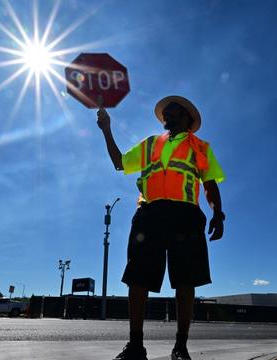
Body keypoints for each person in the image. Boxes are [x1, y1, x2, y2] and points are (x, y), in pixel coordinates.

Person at [97, 95, 225, 360]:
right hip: (150, 213)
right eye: (166, 112)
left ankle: (180, 347)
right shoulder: (151, 144)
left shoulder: (200, 147)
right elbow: (120, 162)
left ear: (188, 119)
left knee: (186, 280)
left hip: (186, 215)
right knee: (138, 277)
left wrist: (218, 213)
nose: (168, 115)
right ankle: (135, 346)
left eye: (175, 111)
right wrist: (106, 129)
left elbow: (210, 185)